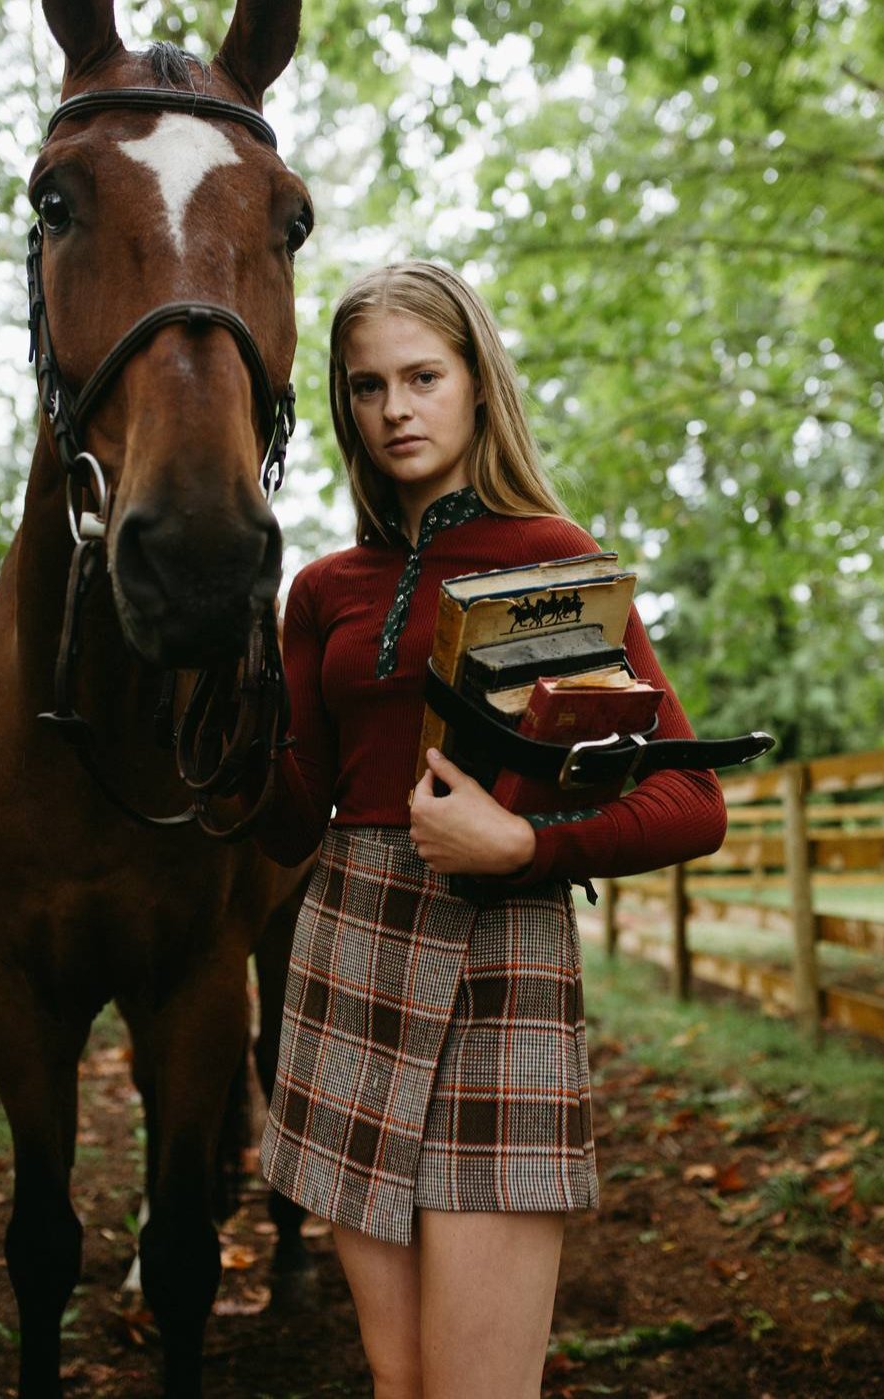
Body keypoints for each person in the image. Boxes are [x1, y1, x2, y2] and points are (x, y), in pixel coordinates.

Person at [253, 261, 727, 1399]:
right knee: (398, 1377)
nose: (396, 410)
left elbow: (691, 801)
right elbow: (281, 819)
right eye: (366, 387)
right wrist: (210, 710)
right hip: (349, 949)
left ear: (476, 383)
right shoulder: (323, 588)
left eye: (423, 376)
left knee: (477, 1388)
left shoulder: (550, 560)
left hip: (498, 956)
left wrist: (527, 847)